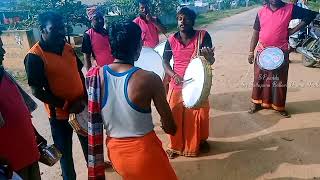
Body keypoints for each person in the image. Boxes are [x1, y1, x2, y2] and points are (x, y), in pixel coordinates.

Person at [86, 21, 177, 180]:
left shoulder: (95, 76)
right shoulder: (149, 79)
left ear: (111, 45)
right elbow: (171, 128)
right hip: (145, 153)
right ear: (138, 47)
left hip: (116, 154)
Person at [24, 12, 88, 180]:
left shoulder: (67, 47)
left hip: (81, 110)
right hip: (60, 117)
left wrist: (85, 99)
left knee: (90, 152)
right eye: (55, 28)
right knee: (66, 158)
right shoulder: (35, 56)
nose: (60, 32)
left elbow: (79, 73)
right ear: (42, 29)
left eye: (62, 28)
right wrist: (67, 105)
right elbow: (37, 90)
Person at [248, 0, 318, 117]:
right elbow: (255, 33)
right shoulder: (261, 12)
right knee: (259, 79)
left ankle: (279, 106)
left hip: (280, 51)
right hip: (262, 51)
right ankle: (257, 103)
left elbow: (310, 15)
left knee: (279, 81)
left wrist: (292, 31)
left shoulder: (290, 8)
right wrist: (251, 52)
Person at [162, 7, 215, 159]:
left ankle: (200, 141)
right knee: (174, 115)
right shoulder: (171, 40)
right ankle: (175, 146)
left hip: (197, 83)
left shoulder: (203, 36)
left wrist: (209, 57)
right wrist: (173, 75)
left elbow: (210, 61)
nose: (182, 21)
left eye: (186, 18)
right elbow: (165, 62)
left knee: (200, 115)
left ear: (193, 21)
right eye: (179, 18)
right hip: (177, 83)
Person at [0, 30, 41, 180]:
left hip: (29, 152)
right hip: (9, 165)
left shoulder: (4, 75)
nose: (3, 51)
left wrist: (35, 134)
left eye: (2, 46)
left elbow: (21, 110)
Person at [82, 6, 114, 70]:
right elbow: (87, 56)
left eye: (101, 18)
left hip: (114, 68)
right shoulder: (88, 35)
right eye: (96, 18)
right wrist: (89, 74)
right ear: (91, 19)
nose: (100, 20)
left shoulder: (108, 32)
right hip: (101, 71)